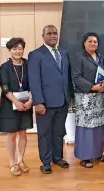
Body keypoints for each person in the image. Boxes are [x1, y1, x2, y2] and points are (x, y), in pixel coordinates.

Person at [28, 25, 74, 174]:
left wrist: (70, 96)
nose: (53, 36)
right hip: (45, 103)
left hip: (63, 101)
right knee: (45, 133)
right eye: (49, 33)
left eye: (55, 33)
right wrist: (38, 102)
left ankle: (57, 158)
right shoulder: (35, 54)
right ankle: (46, 162)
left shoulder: (64, 53)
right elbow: (34, 80)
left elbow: (67, 77)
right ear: (43, 36)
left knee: (59, 132)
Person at [71, 32, 104, 168]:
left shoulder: (101, 57)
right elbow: (76, 77)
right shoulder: (78, 57)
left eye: (95, 42)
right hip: (85, 97)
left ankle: (98, 153)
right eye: (90, 41)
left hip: (100, 97)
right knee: (85, 127)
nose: (93, 44)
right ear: (84, 43)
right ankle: (85, 156)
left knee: (98, 126)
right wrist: (92, 87)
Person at [0, 38, 33, 176]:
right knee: (12, 134)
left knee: (23, 133)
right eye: (14, 49)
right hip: (9, 103)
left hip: (26, 103)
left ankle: (20, 160)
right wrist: (16, 102)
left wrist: (31, 100)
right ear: (9, 50)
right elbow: (4, 88)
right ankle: (12, 162)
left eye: (20, 48)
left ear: (23, 49)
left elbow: (34, 84)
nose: (18, 51)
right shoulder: (4, 67)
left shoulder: (29, 65)